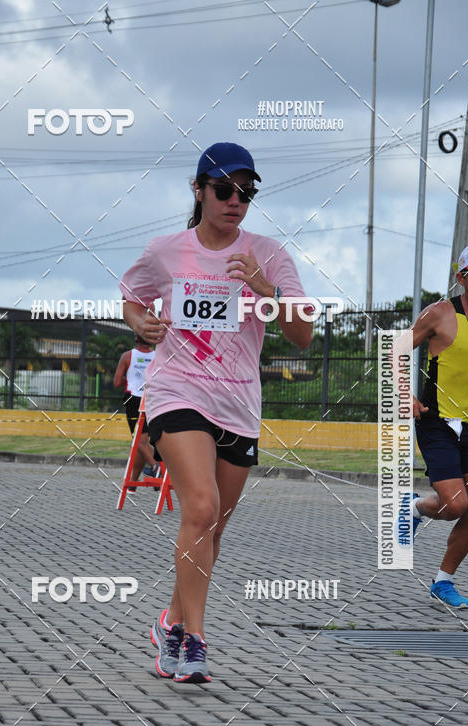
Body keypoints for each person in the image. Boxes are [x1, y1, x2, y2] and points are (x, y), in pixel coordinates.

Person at [120, 141, 312, 682]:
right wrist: (141, 324)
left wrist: (263, 289)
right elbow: (133, 297)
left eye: (245, 193)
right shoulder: (167, 252)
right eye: (224, 190)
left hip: (238, 403)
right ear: (199, 190)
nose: (235, 201)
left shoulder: (268, 254)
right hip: (176, 392)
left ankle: (172, 620)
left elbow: (301, 335)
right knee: (199, 507)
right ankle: (194, 641)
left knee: (213, 525)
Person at [402, 243, 468, 608]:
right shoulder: (440, 314)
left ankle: (443, 582)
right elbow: (398, 348)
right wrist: (405, 393)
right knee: (454, 504)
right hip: (439, 422)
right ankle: (416, 508)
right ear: (462, 277)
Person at [113, 334, 157, 487]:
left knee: (139, 440)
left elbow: (117, 382)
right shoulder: (158, 357)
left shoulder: (127, 356)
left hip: (134, 399)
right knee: (143, 441)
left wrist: (130, 377)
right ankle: (132, 482)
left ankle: (156, 467)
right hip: (153, 399)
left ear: (136, 339)